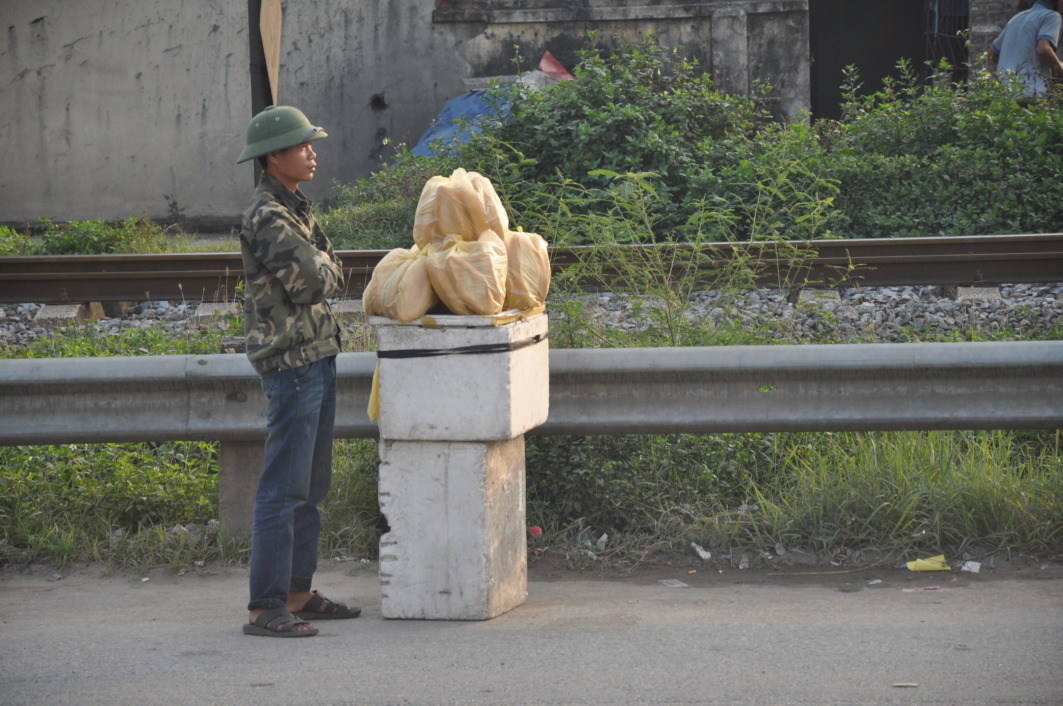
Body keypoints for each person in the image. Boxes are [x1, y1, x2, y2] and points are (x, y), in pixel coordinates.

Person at [235, 105, 360, 637]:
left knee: (310, 486)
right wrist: (325, 266)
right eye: (301, 145)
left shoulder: (295, 207)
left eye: (311, 143)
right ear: (273, 156)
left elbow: (332, 267)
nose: (312, 152)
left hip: (316, 356)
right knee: (283, 489)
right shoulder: (268, 215)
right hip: (291, 365)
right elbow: (315, 280)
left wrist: (325, 266)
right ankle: (265, 607)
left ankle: (297, 591)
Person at [986, 0, 1063, 98]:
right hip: (1031, 91)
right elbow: (1043, 49)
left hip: (1005, 92)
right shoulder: (1052, 16)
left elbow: (990, 54)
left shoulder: (1016, 18)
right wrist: (1060, 70)